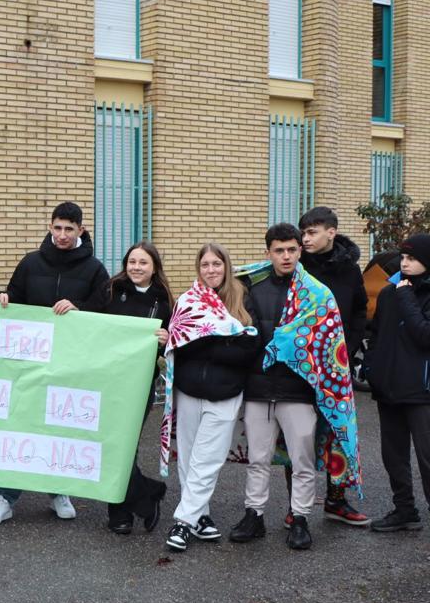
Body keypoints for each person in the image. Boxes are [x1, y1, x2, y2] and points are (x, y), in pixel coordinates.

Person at [229, 223, 360, 551]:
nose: (286, 256)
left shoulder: (317, 293)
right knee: (258, 458)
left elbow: (330, 343)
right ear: (268, 253)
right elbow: (247, 332)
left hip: (299, 391)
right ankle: (254, 515)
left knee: (302, 461)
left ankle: (299, 518)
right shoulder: (252, 288)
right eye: (279, 250)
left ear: (300, 250)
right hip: (260, 390)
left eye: (291, 249)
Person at [0, 201, 110, 524]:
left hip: (70, 364)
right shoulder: (30, 262)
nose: (63, 234)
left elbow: (105, 314)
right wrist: (1, 296)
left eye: (70, 229)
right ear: (50, 227)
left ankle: (58, 490)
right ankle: (5, 497)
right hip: (28, 363)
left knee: (59, 426)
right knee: (19, 425)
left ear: (81, 230)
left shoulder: (95, 269)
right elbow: (13, 297)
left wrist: (78, 307)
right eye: (58, 227)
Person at [159, 244, 258, 552]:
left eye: (217, 264)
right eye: (205, 265)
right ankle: (201, 517)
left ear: (226, 267)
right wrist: (220, 342)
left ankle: (183, 522)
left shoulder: (243, 299)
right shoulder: (187, 301)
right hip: (189, 392)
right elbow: (181, 343)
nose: (211, 270)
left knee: (209, 459)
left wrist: (206, 343)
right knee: (188, 457)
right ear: (198, 268)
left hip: (225, 394)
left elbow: (250, 349)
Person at [295, 207, 370, 526]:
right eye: (303, 232)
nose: (305, 238)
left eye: (312, 232)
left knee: (339, 434)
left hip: (336, 368)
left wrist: (347, 350)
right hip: (299, 366)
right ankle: (296, 504)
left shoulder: (350, 270)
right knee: (297, 436)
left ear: (331, 233)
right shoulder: (295, 266)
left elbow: (359, 311)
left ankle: (336, 501)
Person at [102, 242, 172, 535]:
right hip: (106, 379)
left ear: (154, 267)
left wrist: (165, 339)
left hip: (139, 384)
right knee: (110, 444)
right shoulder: (110, 290)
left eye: (143, 263)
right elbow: (89, 322)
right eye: (132, 261)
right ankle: (141, 497)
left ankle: (125, 508)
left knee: (124, 444)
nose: (136, 267)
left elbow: (174, 344)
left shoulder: (165, 301)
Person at [366, 234, 430, 532]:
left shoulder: (406, 294)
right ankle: (405, 510)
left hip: (421, 392)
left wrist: (406, 297)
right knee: (393, 455)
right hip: (388, 387)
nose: (405, 263)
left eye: (412, 258)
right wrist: (371, 367)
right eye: (403, 258)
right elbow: (376, 332)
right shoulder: (390, 293)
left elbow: (423, 335)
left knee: (426, 457)